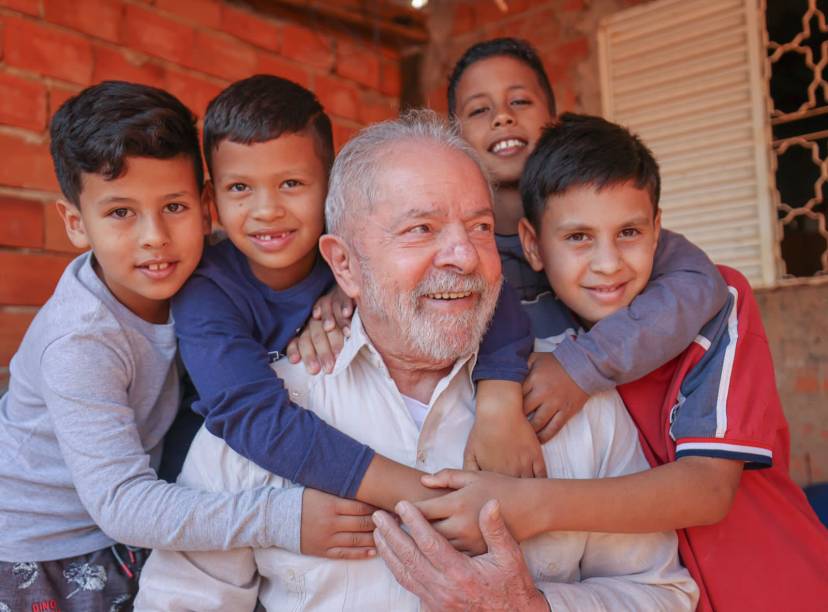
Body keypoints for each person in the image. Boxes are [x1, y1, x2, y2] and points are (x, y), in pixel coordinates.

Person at [134, 110, 698, 611]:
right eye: (420, 229)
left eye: (479, 227)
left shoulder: (569, 404)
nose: (463, 256)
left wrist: (532, 608)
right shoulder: (274, 415)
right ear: (345, 265)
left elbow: (663, 593)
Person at [411, 114, 828, 611]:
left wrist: (529, 506)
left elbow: (708, 490)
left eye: (628, 231)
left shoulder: (717, 306)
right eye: (578, 237)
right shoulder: (525, 330)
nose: (608, 263)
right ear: (532, 244)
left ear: (657, 230)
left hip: (773, 586)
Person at [170, 73, 547, 539]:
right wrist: (428, 500)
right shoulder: (205, 291)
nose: (267, 209)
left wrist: (498, 405)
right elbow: (252, 418)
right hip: (223, 488)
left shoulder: (368, 263)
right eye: (240, 189)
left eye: (290, 183)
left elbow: (486, 295)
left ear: (329, 193)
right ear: (212, 200)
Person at [0, 82, 309, 611]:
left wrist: (330, 304)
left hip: (128, 522)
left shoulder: (209, 269)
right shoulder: (80, 341)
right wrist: (286, 517)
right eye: (120, 213)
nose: (155, 237)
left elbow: (289, 273)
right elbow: (121, 503)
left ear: (206, 207)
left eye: (173, 205)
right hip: (42, 549)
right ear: (76, 223)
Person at [448, 37, 730, 441]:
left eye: (520, 102)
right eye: (479, 109)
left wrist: (582, 365)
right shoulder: (455, 249)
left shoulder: (614, 234)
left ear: (553, 116)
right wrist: (327, 293)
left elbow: (699, 284)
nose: (502, 118)